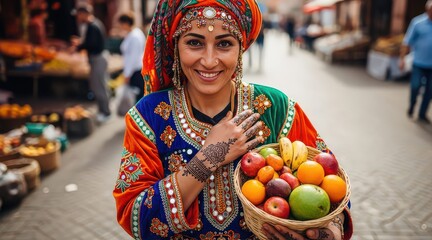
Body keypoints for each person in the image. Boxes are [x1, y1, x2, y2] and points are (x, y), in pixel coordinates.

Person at [113, 0, 353, 239]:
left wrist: (328, 231)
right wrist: (209, 157)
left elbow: (332, 189)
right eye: (194, 43)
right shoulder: (149, 114)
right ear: (176, 46)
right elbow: (135, 218)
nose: (209, 60)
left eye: (224, 44)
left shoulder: (276, 108)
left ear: (241, 47)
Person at [399, 0, 432, 123]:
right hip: (419, 62)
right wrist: (402, 60)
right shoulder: (417, 23)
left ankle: (422, 114)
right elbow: (407, 42)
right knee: (415, 86)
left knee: (430, 90)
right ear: (428, 9)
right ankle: (412, 105)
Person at [71, 3, 111, 123]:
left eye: (78, 15)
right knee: (98, 85)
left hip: (98, 58)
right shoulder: (92, 25)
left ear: (84, 14)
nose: (77, 18)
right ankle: (102, 110)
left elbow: (91, 44)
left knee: (99, 86)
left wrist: (79, 46)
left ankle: (105, 112)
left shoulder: (93, 26)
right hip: (97, 58)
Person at [118, 12, 146, 102]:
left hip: (135, 70)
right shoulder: (136, 33)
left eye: (121, 24)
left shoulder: (134, 36)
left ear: (126, 23)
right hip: (137, 69)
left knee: (137, 97)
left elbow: (132, 57)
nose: (120, 27)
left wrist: (127, 74)